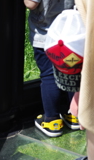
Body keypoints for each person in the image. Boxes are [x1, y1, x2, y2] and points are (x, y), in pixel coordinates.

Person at [24, 0, 79, 137]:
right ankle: (74, 115)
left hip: (45, 38)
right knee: (72, 73)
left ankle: (52, 121)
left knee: (49, 76)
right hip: (71, 37)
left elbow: (31, 4)